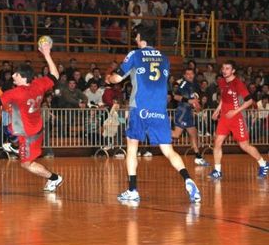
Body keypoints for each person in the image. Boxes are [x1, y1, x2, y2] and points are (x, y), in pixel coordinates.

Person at [105, 25, 201, 204]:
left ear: (141, 37)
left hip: (140, 107)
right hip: (159, 109)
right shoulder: (164, 58)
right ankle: (188, 179)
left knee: (132, 147)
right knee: (168, 150)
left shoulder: (135, 54)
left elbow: (117, 78)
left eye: (136, 36)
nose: (135, 39)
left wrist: (109, 78)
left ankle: (132, 190)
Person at [0, 42, 64, 192]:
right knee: (9, 127)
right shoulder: (38, 84)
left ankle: (54, 178)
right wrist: (47, 54)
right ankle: (16, 146)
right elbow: (55, 75)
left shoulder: (15, 93)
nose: (13, 75)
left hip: (28, 134)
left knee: (26, 164)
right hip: (33, 127)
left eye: (16, 74)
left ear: (23, 78)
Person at [210, 60, 268, 179]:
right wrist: (217, 110)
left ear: (233, 71)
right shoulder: (221, 82)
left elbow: (249, 101)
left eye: (227, 68)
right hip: (224, 118)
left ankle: (263, 163)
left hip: (236, 118)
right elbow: (223, 99)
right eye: (223, 68)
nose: (224, 71)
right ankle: (217, 170)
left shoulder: (238, 83)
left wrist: (235, 111)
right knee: (217, 143)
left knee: (244, 146)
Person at [172, 68, 209, 166]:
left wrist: (197, 106)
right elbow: (176, 96)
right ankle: (157, 130)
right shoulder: (184, 84)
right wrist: (189, 101)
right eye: (187, 74)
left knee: (194, 133)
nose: (190, 75)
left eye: (191, 73)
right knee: (176, 135)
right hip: (182, 112)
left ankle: (198, 157)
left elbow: (194, 100)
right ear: (184, 76)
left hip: (188, 112)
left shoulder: (194, 85)